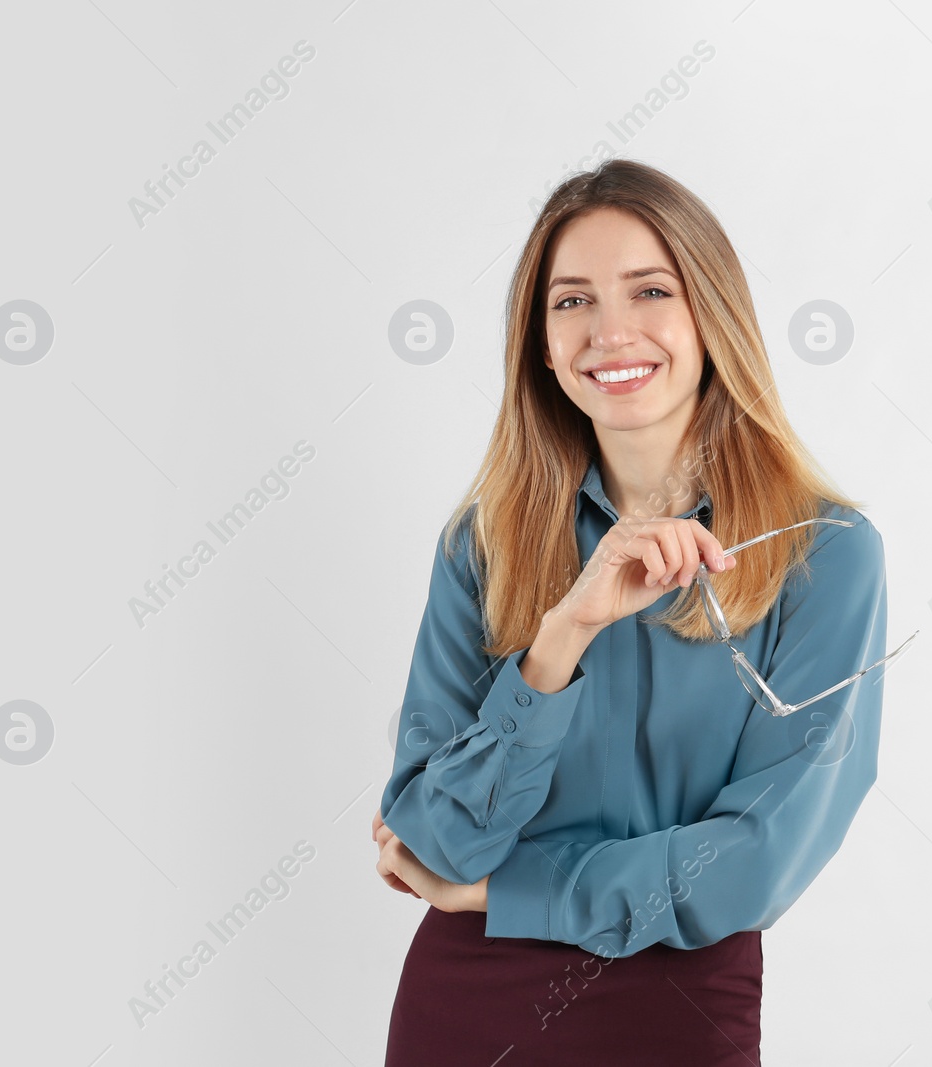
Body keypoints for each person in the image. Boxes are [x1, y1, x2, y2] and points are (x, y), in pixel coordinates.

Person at [374, 158, 892, 1066]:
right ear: (539, 343)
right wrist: (561, 636)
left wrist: (513, 888)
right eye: (571, 302)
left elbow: (755, 862)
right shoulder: (481, 546)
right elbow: (436, 842)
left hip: (677, 1009)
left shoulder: (827, 555)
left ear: (711, 315)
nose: (610, 332)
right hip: (466, 1006)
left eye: (650, 290)